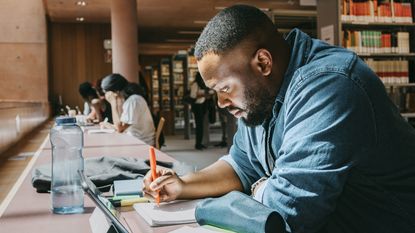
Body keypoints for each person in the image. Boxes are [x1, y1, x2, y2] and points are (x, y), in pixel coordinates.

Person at [143, 5, 415, 233]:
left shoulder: (330, 85)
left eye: (225, 88)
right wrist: (184, 185)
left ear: (263, 63)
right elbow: (242, 165)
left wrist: (262, 187)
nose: (222, 103)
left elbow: (288, 212)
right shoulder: (261, 96)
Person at [100, 73, 155, 146]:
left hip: (141, 143)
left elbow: (120, 129)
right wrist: (108, 125)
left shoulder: (133, 101)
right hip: (135, 139)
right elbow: (120, 125)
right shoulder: (130, 99)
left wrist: (113, 103)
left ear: (116, 91)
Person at [190, 72, 213, 150]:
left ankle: (200, 142)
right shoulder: (195, 85)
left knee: (202, 125)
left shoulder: (203, 85)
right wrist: (203, 95)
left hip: (203, 105)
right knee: (199, 126)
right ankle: (198, 144)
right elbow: (193, 96)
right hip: (197, 106)